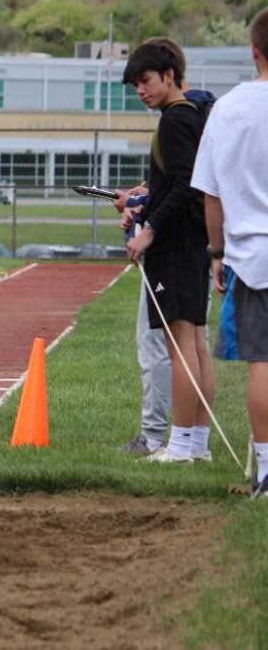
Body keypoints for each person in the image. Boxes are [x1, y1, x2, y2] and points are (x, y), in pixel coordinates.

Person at [114, 37, 217, 457]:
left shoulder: (175, 119)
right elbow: (181, 183)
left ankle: (179, 445)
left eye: (146, 81)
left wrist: (149, 228)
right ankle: (198, 444)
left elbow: (184, 184)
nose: (141, 91)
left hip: (175, 249)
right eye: (135, 84)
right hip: (193, 245)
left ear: (170, 75)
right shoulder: (191, 116)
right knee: (195, 346)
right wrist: (142, 204)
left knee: (180, 348)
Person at [192, 6, 268, 498]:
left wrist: (216, 253)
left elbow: (211, 193)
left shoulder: (230, 107)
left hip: (253, 255)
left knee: (264, 362)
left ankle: (267, 470)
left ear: (253, 50)